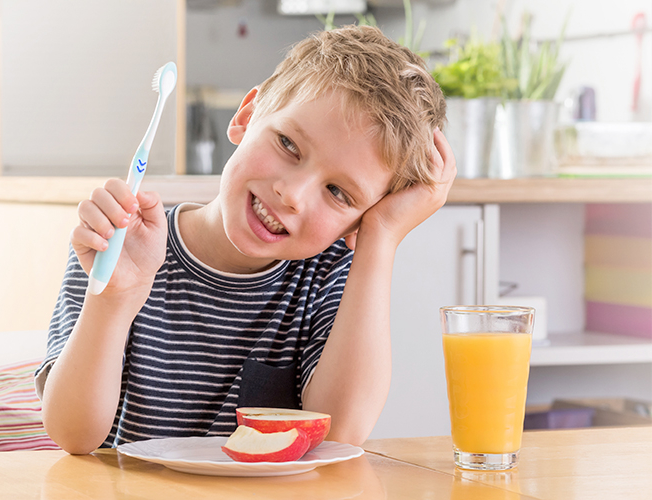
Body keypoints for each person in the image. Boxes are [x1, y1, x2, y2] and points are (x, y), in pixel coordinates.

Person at [36, 25, 457, 455]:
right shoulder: (126, 245)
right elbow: (72, 434)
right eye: (288, 144)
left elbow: (340, 433)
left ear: (355, 225)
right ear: (246, 116)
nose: (292, 195)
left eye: (337, 192)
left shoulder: (331, 275)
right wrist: (114, 299)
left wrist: (381, 237)